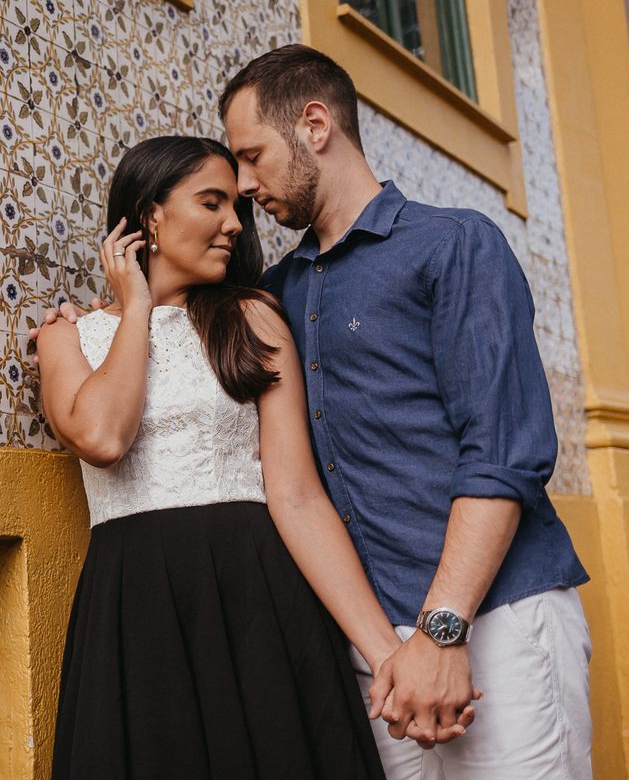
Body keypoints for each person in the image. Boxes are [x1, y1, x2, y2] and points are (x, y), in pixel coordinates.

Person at [36, 45, 592, 780]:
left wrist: (443, 631)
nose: (242, 186)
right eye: (223, 184)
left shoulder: (451, 244)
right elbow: (290, 492)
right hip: (369, 637)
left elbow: (502, 452)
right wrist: (391, 653)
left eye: (251, 158)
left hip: (491, 618)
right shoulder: (280, 293)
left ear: (317, 125)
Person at [37, 136, 469, 780]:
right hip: (137, 603)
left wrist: (389, 657)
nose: (235, 224)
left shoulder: (254, 320)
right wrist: (135, 310)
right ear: (150, 216)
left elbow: (297, 495)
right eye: (211, 202)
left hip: (259, 597)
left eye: (237, 206)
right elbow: (103, 438)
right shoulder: (67, 336)